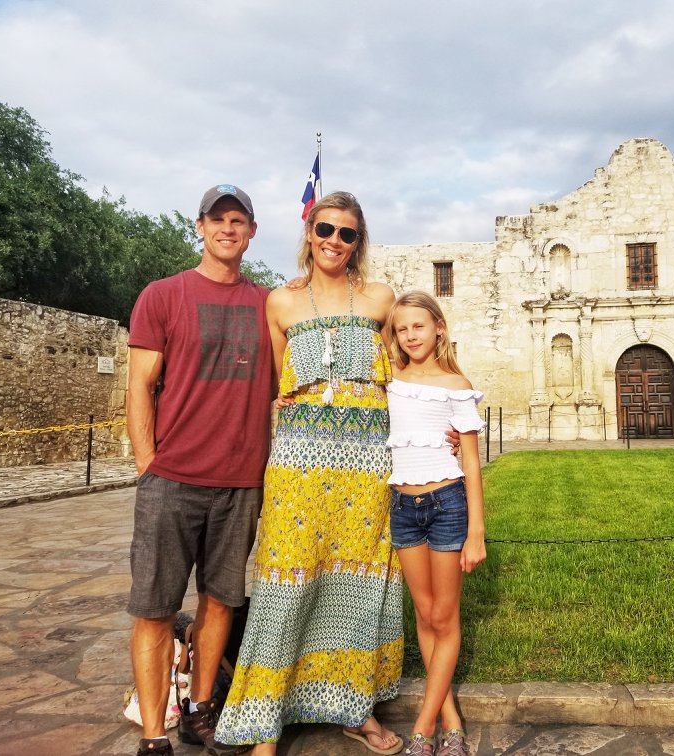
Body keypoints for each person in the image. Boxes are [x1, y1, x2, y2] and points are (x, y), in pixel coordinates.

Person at [214, 191, 405, 755]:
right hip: (300, 459)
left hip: (368, 461)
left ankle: (355, 707)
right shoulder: (281, 303)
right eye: (326, 229)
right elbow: (275, 384)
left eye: (347, 234)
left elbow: (405, 370)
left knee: (359, 581)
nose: (334, 241)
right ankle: (264, 722)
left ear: (358, 241)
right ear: (309, 232)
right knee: (286, 578)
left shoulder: (379, 298)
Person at [126, 184, 272, 756]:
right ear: (200, 226)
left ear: (252, 231)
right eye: (218, 219)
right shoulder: (164, 295)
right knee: (155, 607)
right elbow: (139, 385)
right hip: (173, 479)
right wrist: (147, 463)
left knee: (220, 600)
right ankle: (153, 735)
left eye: (239, 220)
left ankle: (201, 709)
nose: (228, 229)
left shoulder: (267, 304)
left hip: (239, 481)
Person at [385, 291, 487, 756]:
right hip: (404, 509)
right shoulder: (390, 380)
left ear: (438, 327)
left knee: (444, 617)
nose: (410, 336)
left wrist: (476, 532)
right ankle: (451, 720)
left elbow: (470, 459)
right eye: (402, 328)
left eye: (419, 327)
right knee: (424, 614)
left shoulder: (455, 383)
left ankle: (423, 729)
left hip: (447, 505)